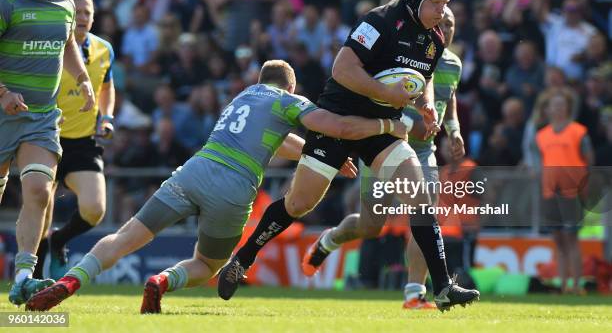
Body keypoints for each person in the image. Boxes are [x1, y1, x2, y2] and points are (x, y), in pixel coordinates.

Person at [25, 60, 409, 312]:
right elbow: (335, 127)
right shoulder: (289, 101)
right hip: (234, 188)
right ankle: (162, 281)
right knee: (209, 264)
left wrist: (308, 149)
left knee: (126, 237)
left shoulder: (243, 96)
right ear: (290, 85)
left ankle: (72, 280)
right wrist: (382, 128)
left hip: (195, 169)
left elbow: (281, 141)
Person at [219, 0, 480, 312]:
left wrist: (426, 104)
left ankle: (443, 286)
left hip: (380, 127)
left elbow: (422, 78)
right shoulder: (380, 21)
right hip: (337, 118)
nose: (442, 12)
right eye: (436, 4)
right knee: (300, 203)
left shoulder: (432, 40)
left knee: (420, 198)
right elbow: (342, 70)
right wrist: (384, 91)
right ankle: (244, 258)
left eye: (445, 4)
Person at [0, 0, 95, 305]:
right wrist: (4, 93)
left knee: (39, 191)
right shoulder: (6, 2)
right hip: (3, 114)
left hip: (41, 118)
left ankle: (24, 275)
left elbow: (68, 42)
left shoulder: (65, 3)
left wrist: (83, 78)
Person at [33, 0, 115, 281]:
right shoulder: (50, 47)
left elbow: (106, 86)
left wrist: (106, 117)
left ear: (94, 16)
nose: (82, 17)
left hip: (82, 141)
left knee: (94, 209)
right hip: (46, 138)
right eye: (76, 12)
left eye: (87, 13)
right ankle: (31, 279)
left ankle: (60, 241)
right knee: (40, 212)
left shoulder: (104, 49)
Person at [401, 6, 465, 309]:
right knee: (369, 224)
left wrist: (454, 131)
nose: (447, 28)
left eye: (451, 23)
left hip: (425, 149)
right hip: (390, 141)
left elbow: (448, 101)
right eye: (443, 22)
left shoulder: (453, 63)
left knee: (425, 214)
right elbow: (388, 96)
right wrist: (412, 122)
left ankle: (415, 293)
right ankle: (331, 239)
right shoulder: (411, 53)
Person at [536, 88, 593, 294]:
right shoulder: (542, 135)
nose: (558, 109)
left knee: (572, 239)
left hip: (572, 192)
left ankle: (577, 285)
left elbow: (588, 160)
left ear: (568, 107)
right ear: (548, 109)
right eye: (555, 105)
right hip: (550, 192)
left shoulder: (578, 131)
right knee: (558, 240)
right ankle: (563, 284)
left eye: (562, 105)